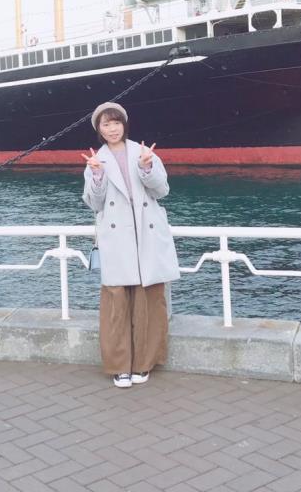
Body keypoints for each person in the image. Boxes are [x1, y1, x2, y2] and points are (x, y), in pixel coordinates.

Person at [82, 102, 180, 388]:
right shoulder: (96, 160)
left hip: (146, 236)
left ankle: (144, 363)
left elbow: (162, 190)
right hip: (117, 240)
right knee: (116, 303)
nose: (112, 129)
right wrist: (97, 175)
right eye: (106, 124)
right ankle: (119, 365)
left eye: (116, 122)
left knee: (149, 302)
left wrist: (147, 168)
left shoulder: (143, 152)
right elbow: (94, 203)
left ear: (125, 124)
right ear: (99, 130)